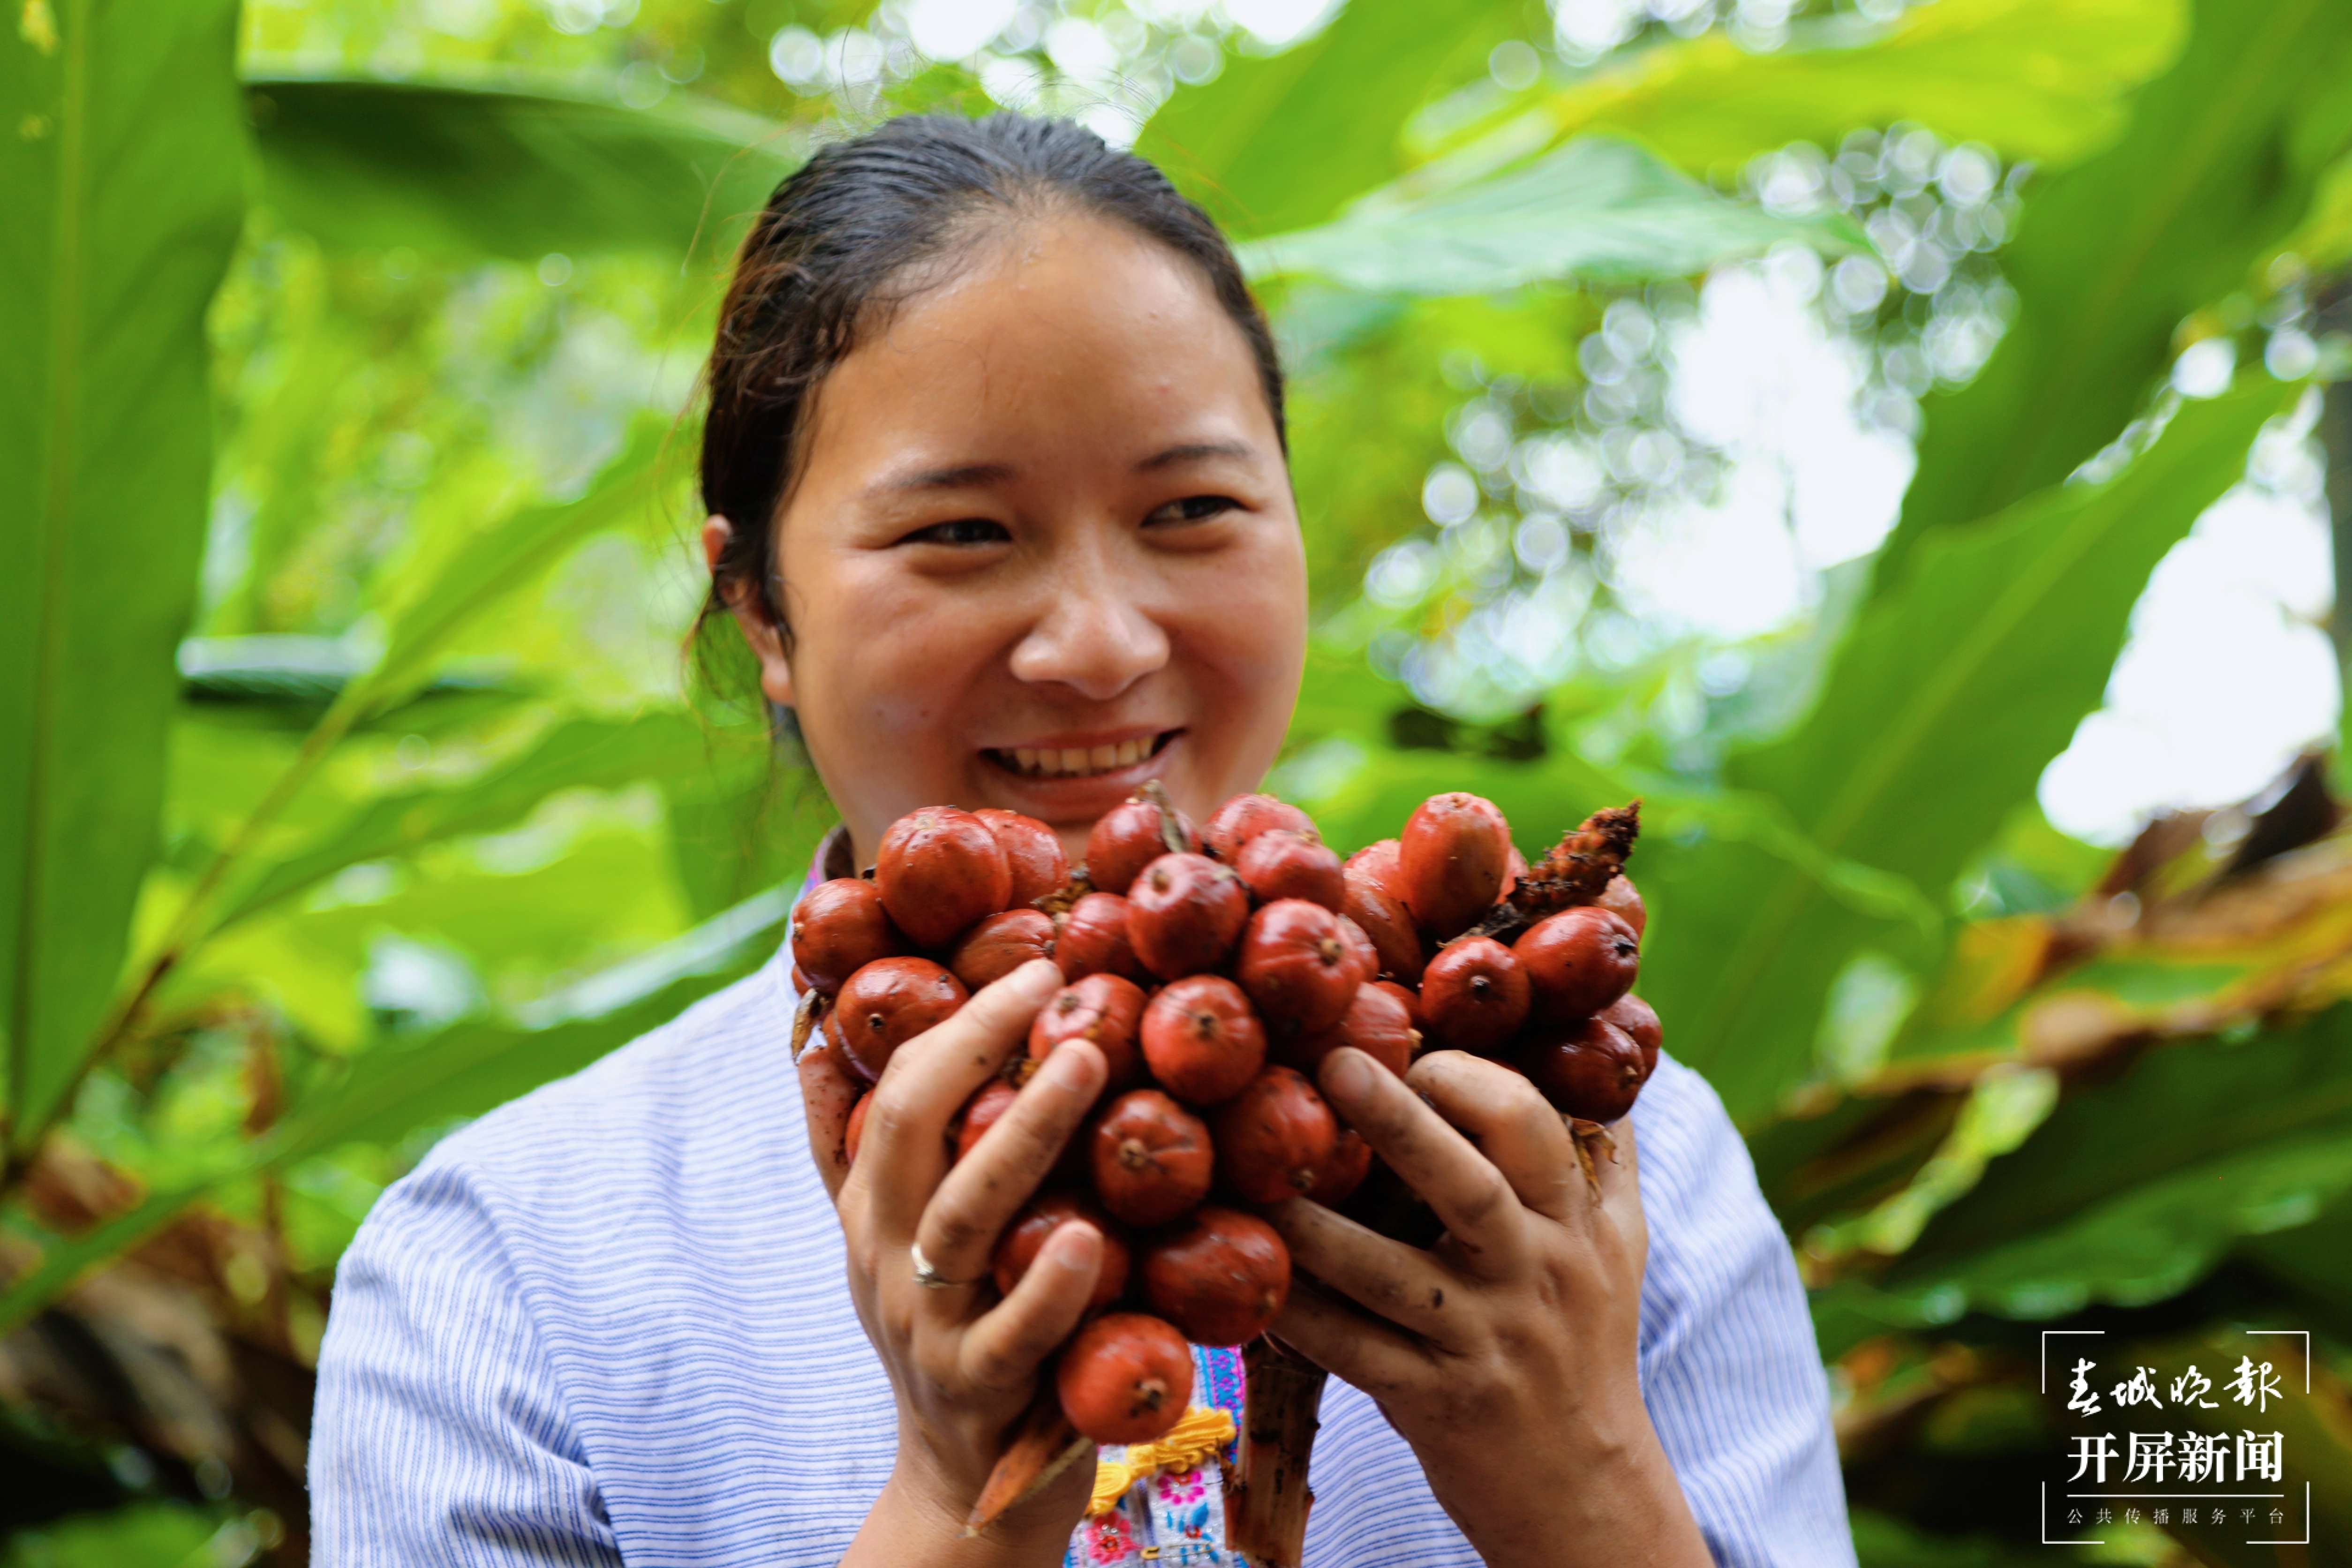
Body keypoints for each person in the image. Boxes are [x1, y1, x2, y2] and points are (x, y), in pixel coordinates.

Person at [308, 111, 1855, 1567]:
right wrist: (954, 1500)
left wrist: (1573, 1470)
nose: (1101, 645)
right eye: (962, 534)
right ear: (761, 609)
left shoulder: (1619, 1186)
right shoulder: (501, 1270)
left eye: (1191, 512)